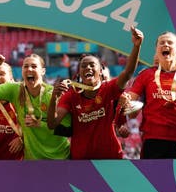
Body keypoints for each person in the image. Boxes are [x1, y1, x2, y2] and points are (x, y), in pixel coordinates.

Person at [47, 26, 143, 159]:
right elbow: (52, 124)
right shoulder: (71, 95)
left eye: (92, 65)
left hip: (110, 158)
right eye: (84, 66)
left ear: (100, 70)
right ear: (79, 72)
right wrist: (54, 99)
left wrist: (136, 46)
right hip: (82, 160)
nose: (88, 67)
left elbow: (127, 73)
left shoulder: (109, 89)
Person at [122, 31, 176, 159]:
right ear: (156, 49)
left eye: (170, 42)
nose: (165, 45)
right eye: (161, 43)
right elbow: (131, 111)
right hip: (152, 140)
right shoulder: (145, 75)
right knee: (151, 179)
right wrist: (127, 104)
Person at [0, 54, 70, 159]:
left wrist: (40, 124)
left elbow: (68, 130)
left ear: (43, 71)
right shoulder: (15, 90)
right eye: (25, 66)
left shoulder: (53, 94)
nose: (29, 69)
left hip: (59, 159)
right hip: (32, 160)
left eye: (34, 66)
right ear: (22, 70)